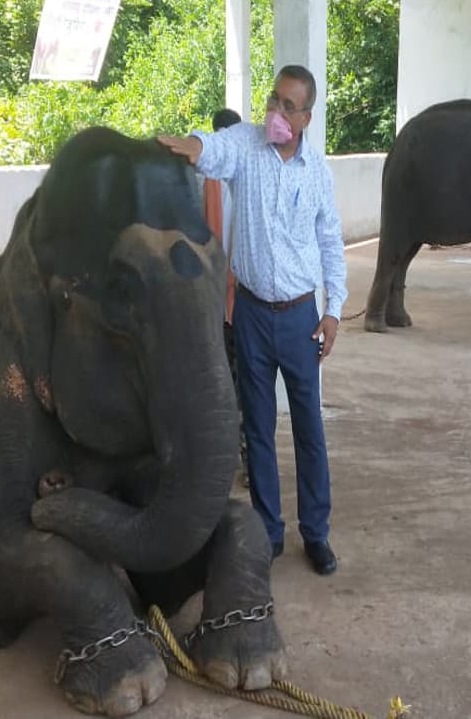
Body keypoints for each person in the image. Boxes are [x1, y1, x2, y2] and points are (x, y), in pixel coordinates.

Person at [158, 65, 347, 576]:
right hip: (252, 315)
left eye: (289, 107)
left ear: (306, 117)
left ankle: (317, 534)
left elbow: (330, 241)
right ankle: (268, 532)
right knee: (258, 428)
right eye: (273, 101)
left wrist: (333, 310)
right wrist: (192, 145)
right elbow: (214, 148)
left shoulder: (316, 172)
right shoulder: (247, 144)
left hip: (301, 318)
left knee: (308, 428)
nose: (276, 114)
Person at [203, 108, 245, 482]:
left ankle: (234, 458)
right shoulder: (214, 180)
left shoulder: (210, 179)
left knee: (229, 382)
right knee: (236, 382)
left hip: (228, 302)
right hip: (230, 303)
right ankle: (238, 459)